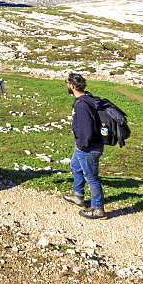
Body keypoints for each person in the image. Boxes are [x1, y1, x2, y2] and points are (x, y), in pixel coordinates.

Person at [62, 72, 107, 219]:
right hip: (86, 145)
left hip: (88, 147)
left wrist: (81, 146)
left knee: (92, 177)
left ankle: (98, 208)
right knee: (76, 166)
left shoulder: (82, 106)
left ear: (72, 86)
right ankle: (78, 195)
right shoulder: (88, 98)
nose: (67, 86)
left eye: (67, 83)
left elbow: (86, 129)